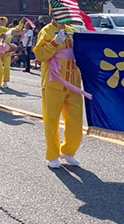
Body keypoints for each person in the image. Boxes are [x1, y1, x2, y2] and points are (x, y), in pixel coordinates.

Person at [33, 16, 86, 168]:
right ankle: (52, 156)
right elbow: (41, 55)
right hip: (53, 82)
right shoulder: (46, 31)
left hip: (73, 82)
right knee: (51, 120)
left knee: (76, 122)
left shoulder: (72, 31)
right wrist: (55, 42)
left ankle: (68, 151)